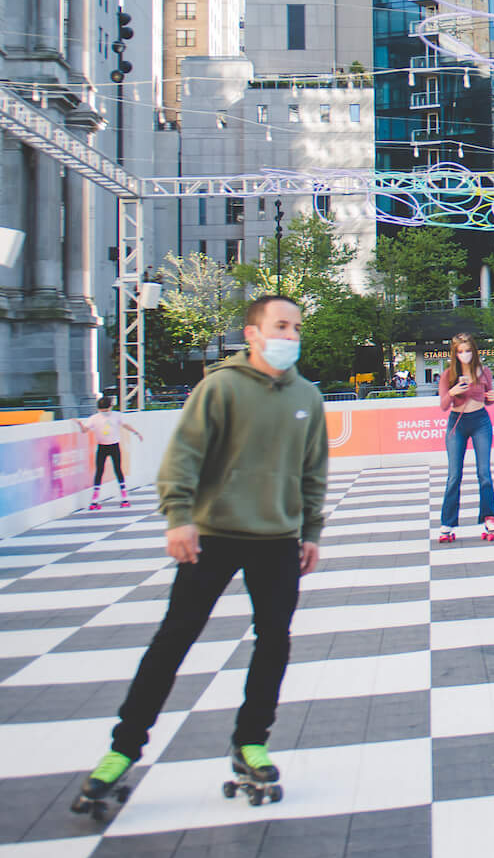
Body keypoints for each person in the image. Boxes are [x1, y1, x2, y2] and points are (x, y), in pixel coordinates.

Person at [71, 294, 329, 820]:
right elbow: (183, 455)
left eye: (297, 328)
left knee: (273, 642)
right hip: (213, 534)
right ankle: (123, 749)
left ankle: (251, 740)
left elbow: (312, 471)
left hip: (277, 538)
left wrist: (310, 531)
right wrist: (178, 517)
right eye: (281, 326)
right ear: (253, 333)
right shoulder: (220, 387)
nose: (291, 336)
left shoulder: (307, 396)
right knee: (174, 639)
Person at [437, 333, 494, 543]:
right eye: (460, 351)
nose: (465, 355)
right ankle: (448, 522)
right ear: (455, 354)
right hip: (457, 423)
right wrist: (453, 391)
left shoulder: (484, 372)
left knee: (484, 472)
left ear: (474, 351)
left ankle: (490, 517)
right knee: (454, 474)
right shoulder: (448, 375)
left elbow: (490, 397)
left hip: (480, 420)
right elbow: (444, 405)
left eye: (468, 350)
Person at [79, 391, 144, 511]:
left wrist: (135, 432)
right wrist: (79, 424)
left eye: (105, 410)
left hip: (109, 446)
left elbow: (125, 425)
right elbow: (84, 430)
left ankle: (115, 498)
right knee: (106, 471)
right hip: (106, 446)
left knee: (111, 470)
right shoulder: (100, 417)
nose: (105, 413)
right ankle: (102, 499)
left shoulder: (107, 416)